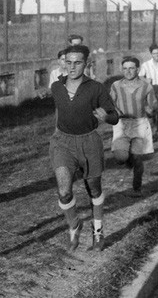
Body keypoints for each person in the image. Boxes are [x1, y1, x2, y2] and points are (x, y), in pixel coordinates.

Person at [49, 45, 119, 252]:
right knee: (64, 191)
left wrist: (106, 117)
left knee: (94, 189)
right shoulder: (56, 87)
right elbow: (60, 112)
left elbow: (114, 116)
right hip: (63, 143)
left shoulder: (96, 88)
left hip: (89, 142)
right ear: (63, 63)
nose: (72, 67)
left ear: (86, 64)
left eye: (77, 62)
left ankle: (98, 231)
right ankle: (74, 225)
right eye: (68, 62)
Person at [110, 57, 157, 197]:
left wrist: (151, 109)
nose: (128, 71)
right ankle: (126, 156)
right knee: (120, 158)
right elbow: (109, 103)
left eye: (131, 68)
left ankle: (137, 187)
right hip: (122, 124)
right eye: (125, 68)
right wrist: (115, 111)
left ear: (138, 69)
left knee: (137, 158)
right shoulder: (116, 85)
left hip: (139, 123)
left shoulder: (146, 86)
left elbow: (152, 105)